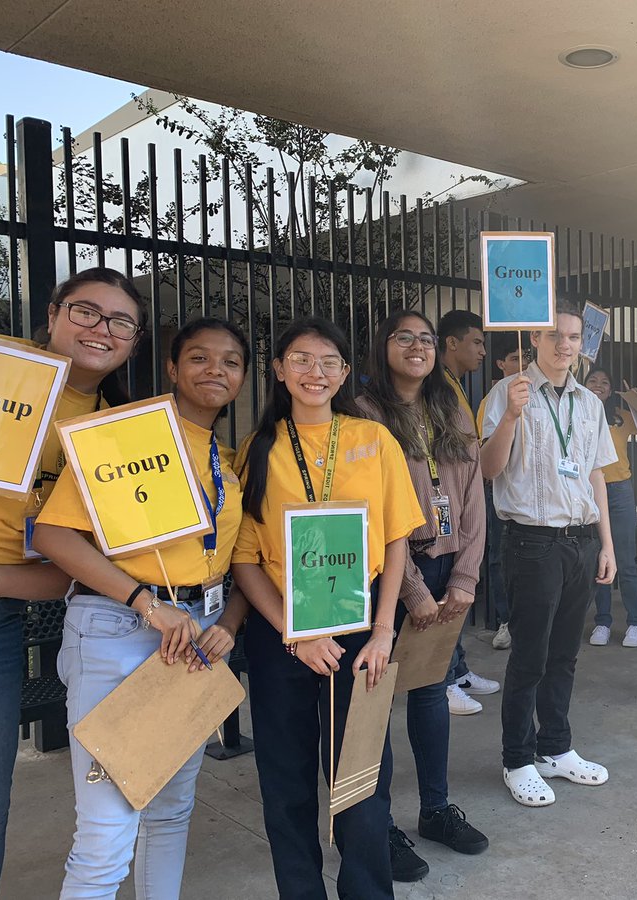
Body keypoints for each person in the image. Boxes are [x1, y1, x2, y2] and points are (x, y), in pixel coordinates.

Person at [32, 317, 250, 898]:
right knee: (108, 831)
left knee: (170, 812)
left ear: (243, 378)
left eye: (230, 361)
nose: (216, 370)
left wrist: (225, 621)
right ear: (172, 370)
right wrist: (146, 604)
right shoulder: (126, 436)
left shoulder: (224, 457)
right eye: (199, 358)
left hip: (195, 638)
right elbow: (53, 536)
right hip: (120, 630)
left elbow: (231, 563)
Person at [0, 267, 145, 900]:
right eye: (86, 311)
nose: (101, 329)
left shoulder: (112, 436)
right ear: (54, 314)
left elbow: (73, 573)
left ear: (133, 344)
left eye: (120, 322)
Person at [231, 316, 423, 899]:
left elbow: (396, 539)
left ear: (344, 374)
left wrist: (386, 628)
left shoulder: (374, 439)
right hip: (281, 629)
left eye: (329, 363)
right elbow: (243, 558)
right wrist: (296, 631)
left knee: (361, 778)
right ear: (279, 370)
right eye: (302, 360)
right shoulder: (256, 450)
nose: (316, 372)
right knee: (285, 779)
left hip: (362, 624)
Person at [356, 311, 489, 883]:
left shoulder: (451, 405)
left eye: (427, 339)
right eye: (404, 336)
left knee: (432, 695)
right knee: (377, 702)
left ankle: (435, 809)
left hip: (445, 573)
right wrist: (409, 590)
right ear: (383, 346)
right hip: (388, 579)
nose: (417, 346)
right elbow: (370, 510)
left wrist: (465, 578)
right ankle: (376, 827)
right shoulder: (363, 412)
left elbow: (474, 495)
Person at [480, 301, 617, 808]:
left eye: (574, 337)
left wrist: (607, 544)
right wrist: (512, 416)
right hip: (532, 543)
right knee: (530, 656)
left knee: (565, 654)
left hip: (580, 541)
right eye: (555, 334)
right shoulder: (506, 393)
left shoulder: (590, 403)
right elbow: (488, 469)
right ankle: (517, 758)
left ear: (583, 346)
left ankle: (554, 748)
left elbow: (596, 473)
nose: (564, 344)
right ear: (534, 340)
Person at [435, 308, 500, 709]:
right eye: (476, 341)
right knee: (446, 591)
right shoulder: (436, 387)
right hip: (445, 503)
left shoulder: (454, 384)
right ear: (452, 343)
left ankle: (457, 669)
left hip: (463, 502)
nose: (481, 350)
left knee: (459, 588)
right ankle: (441, 679)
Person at [583, 366, 637, 649]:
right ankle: (603, 621)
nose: (598, 385)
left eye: (604, 382)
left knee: (626, 560)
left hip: (619, 491)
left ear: (610, 390)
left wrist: (634, 399)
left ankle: (635, 622)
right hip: (589, 490)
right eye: (592, 380)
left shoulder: (622, 417)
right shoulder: (578, 414)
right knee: (599, 559)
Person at [476, 332, 528, 653]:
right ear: (500, 364)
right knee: (499, 556)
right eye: (515, 359)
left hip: (537, 500)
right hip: (503, 492)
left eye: (527, 358)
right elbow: (486, 453)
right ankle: (506, 620)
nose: (523, 364)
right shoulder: (496, 395)